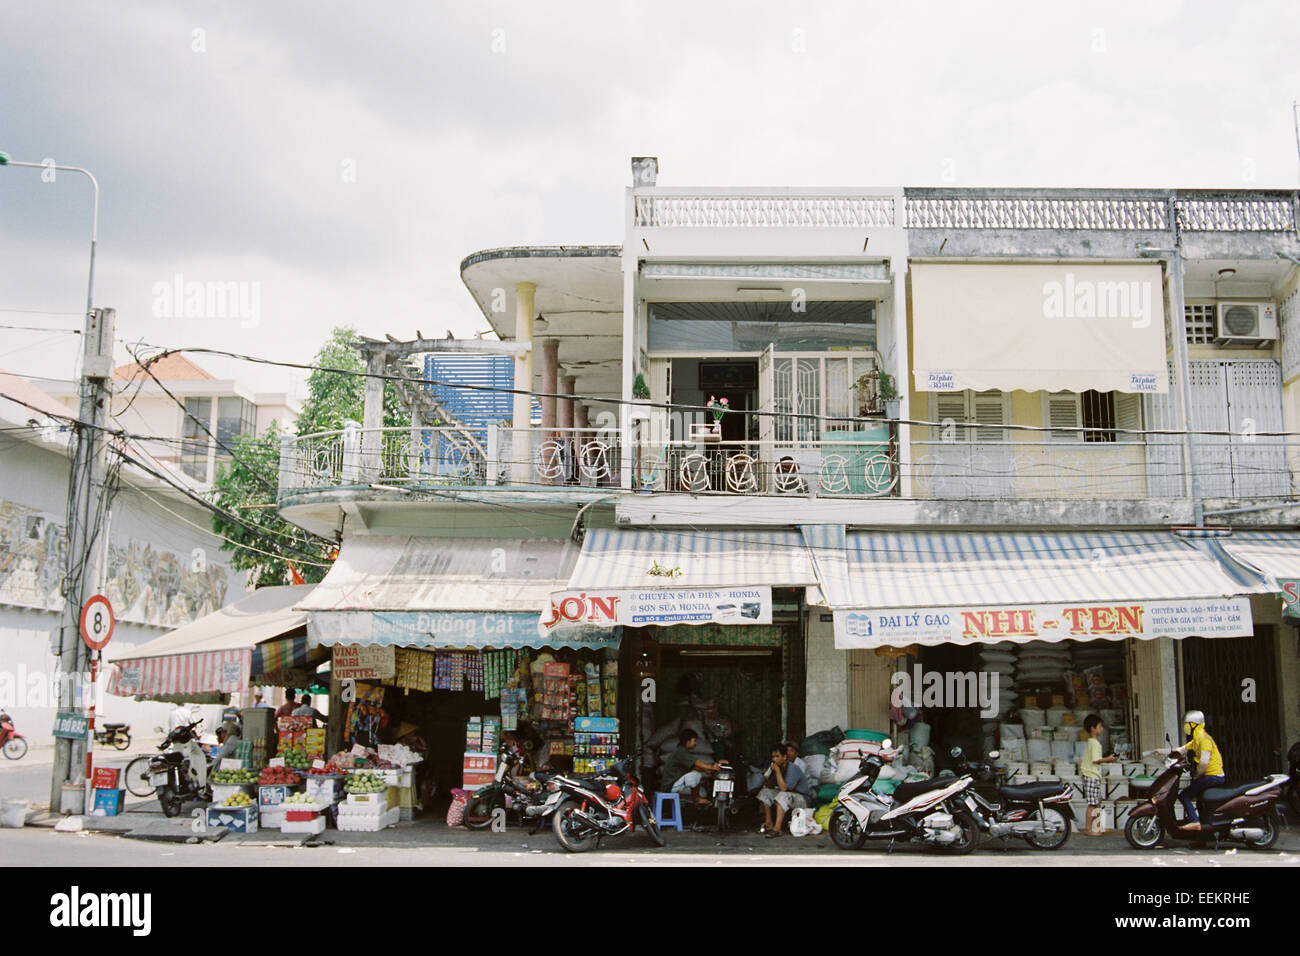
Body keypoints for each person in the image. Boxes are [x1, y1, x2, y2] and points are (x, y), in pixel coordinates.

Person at [1177, 709, 1225, 831]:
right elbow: (1181, 750)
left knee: (1184, 795)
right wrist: (1158, 752)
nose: (1186, 727)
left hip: (1213, 776)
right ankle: (1202, 833)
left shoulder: (1204, 740)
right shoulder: (1196, 740)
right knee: (1199, 799)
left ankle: (1195, 821)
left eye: (1187, 725)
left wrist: (1197, 775)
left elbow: (1204, 762)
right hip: (1209, 776)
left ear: (1194, 725)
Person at [659, 729, 727, 808]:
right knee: (696, 775)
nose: (695, 743)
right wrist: (711, 767)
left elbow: (693, 766)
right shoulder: (681, 752)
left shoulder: (681, 751)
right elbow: (697, 763)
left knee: (695, 773)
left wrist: (706, 770)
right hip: (669, 786)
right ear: (688, 742)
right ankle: (696, 799)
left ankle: (696, 799)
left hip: (671, 784)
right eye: (694, 741)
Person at [757, 741, 813, 837]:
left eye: (777, 756)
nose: (774, 759)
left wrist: (777, 771)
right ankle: (769, 823)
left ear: (784, 757)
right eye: (773, 757)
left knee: (782, 795)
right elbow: (770, 786)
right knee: (764, 792)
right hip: (789, 795)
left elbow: (784, 789)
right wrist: (767, 777)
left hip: (802, 798)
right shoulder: (774, 766)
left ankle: (777, 829)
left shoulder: (793, 768)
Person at [1080, 714, 1116, 835]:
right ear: (1092, 728)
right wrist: (1109, 759)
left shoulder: (1093, 742)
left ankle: (1099, 826)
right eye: (1099, 727)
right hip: (1091, 775)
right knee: (1092, 804)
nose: (1101, 729)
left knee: (1097, 802)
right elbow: (1096, 760)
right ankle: (1089, 829)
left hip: (1093, 775)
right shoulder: (1094, 743)